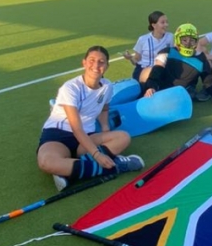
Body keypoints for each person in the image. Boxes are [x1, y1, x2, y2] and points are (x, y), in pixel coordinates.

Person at [37, 46, 145, 191]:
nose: (96, 65)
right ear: (84, 63)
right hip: (59, 135)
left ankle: (70, 171)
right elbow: (76, 128)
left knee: (123, 137)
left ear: (107, 66)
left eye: (101, 62)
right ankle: (116, 166)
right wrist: (97, 154)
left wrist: (105, 129)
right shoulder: (70, 88)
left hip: (87, 137)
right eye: (92, 60)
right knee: (46, 162)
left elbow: (104, 108)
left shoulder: (107, 86)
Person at [143, 23, 212, 106]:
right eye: (184, 40)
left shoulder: (200, 59)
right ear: (177, 40)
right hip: (162, 86)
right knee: (146, 72)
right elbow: (157, 71)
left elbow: (209, 80)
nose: (188, 44)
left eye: (191, 41)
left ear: (196, 42)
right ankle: (145, 90)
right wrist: (151, 87)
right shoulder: (167, 52)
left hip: (184, 92)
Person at [123, 11, 173, 82]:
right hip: (143, 71)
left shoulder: (170, 37)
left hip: (161, 71)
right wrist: (130, 57)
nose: (166, 25)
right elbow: (136, 60)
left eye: (167, 22)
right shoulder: (143, 40)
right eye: (162, 22)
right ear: (154, 25)